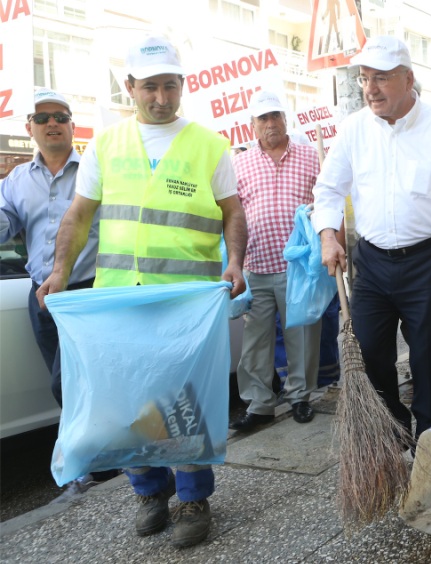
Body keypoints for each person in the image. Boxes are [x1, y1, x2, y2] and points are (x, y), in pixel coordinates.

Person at [36, 35, 248, 548]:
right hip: (122, 301)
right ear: (129, 87)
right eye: (149, 87)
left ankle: (194, 499)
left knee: (182, 406)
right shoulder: (105, 145)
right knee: (130, 404)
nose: (160, 98)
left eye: (170, 86)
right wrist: (60, 270)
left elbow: (233, 211)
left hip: (185, 304)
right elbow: (79, 214)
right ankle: (150, 493)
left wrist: (236, 261)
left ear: (183, 86)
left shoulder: (209, 145)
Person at [312, 36, 431, 441]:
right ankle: (393, 438)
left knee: (430, 360)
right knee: (371, 353)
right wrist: (327, 234)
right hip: (372, 263)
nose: (370, 89)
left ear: (408, 78)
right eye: (364, 79)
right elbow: (327, 190)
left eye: (381, 78)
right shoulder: (354, 129)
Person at [0, 89, 122, 499]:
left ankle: (84, 465)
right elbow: (5, 224)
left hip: (86, 292)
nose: (52, 123)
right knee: (73, 380)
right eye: (43, 117)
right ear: (30, 127)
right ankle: (105, 458)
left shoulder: (94, 169)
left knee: (67, 382)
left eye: (61, 116)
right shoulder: (17, 179)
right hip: (41, 296)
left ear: (72, 125)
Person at [229, 90, 321, 432]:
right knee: (255, 341)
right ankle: (260, 404)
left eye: (275, 116)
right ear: (252, 126)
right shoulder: (239, 163)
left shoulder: (310, 157)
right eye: (263, 118)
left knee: (302, 334)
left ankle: (300, 397)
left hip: (297, 267)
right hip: (255, 264)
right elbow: (232, 213)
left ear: (286, 118)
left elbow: (326, 204)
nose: (270, 123)